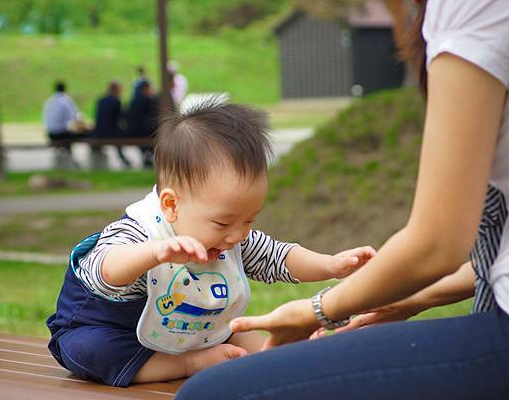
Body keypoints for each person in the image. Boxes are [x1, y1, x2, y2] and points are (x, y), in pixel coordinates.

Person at [175, 0, 509, 399]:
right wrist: (402, 300)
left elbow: (437, 244)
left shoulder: (471, 8)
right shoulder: (149, 235)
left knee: (213, 394)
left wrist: (318, 307)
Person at [46, 98, 376, 388]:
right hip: (108, 331)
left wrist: (330, 265)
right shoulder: (140, 232)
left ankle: (285, 355)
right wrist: (153, 254)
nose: (238, 235)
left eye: (250, 220)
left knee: (236, 330)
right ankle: (188, 363)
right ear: (171, 205)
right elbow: (105, 269)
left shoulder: (230, 238)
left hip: (189, 327)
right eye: (223, 223)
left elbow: (279, 257)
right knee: (89, 349)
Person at [94, 80, 131, 168]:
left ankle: (122, 158)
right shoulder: (115, 101)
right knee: (125, 134)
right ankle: (124, 159)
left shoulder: (101, 100)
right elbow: (121, 117)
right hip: (110, 132)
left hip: (99, 132)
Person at [43, 81, 86, 152]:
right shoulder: (66, 100)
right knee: (85, 134)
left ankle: (61, 153)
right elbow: (76, 117)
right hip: (62, 134)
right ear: (65, 89)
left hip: (50, 134)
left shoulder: (49, 101)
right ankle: (69, 155)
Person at [128, 80, 157, 167]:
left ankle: (147, 155)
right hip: (143, 132)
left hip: (134, 130)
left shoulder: (134, 100)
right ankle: (148, 155)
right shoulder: (147, 100)